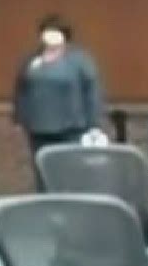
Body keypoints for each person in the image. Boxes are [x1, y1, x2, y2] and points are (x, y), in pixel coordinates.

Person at [14, 14, 108, 189]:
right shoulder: (31, 60)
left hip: (71, 128)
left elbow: (92, 91)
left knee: (70, 173)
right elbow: (21, 88)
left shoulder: (79, 60)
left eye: (55, 31)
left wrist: (94, 123)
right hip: (38, 128)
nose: (50, 36)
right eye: (47, 31)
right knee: (43, 172)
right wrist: (20, 117)